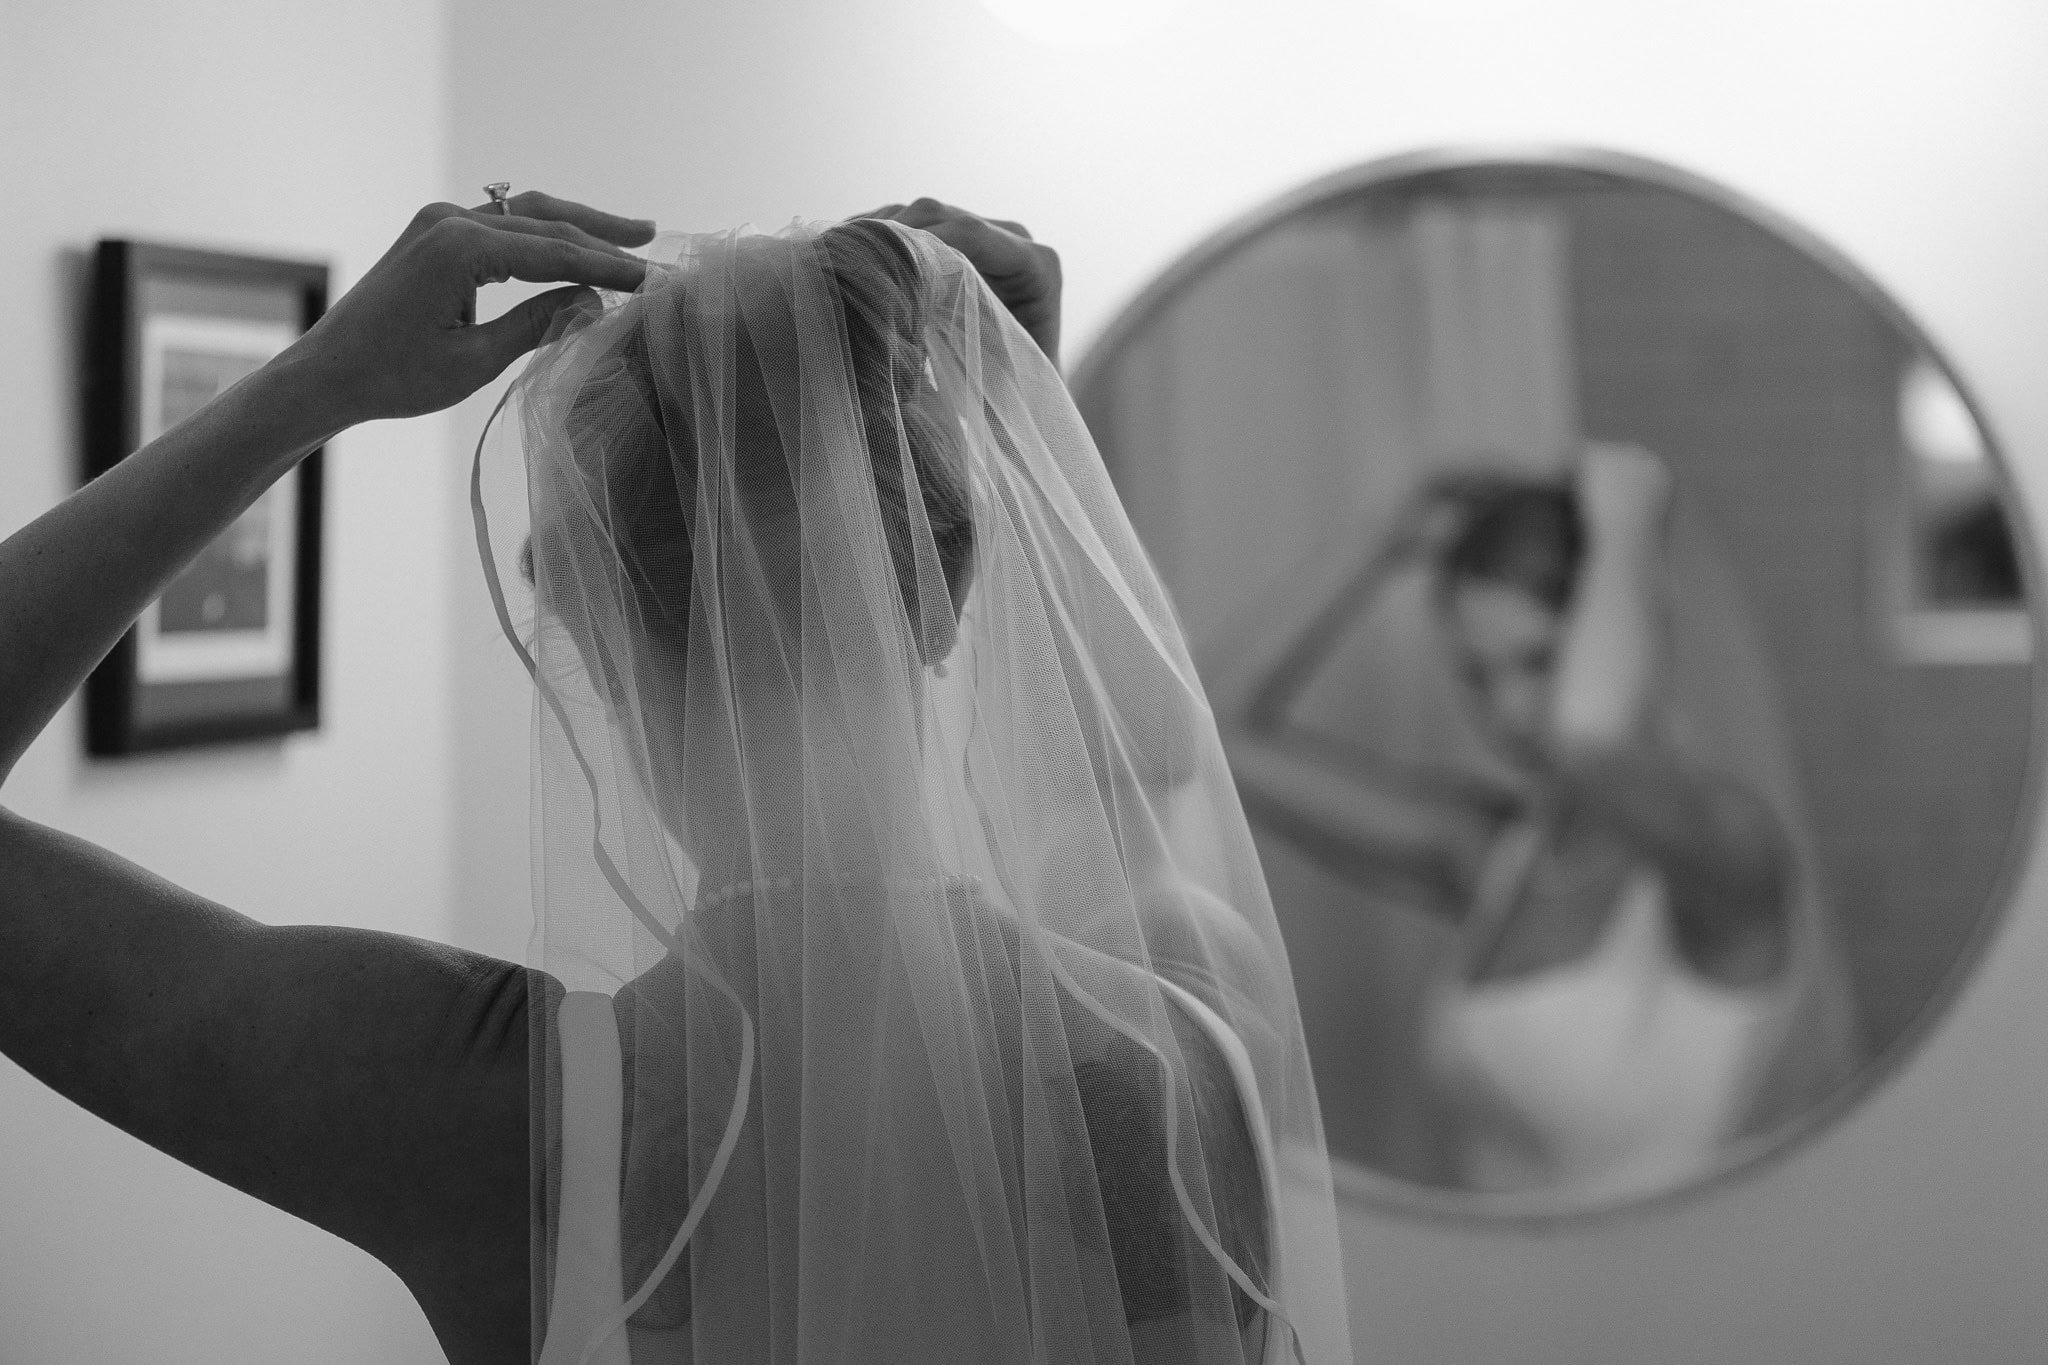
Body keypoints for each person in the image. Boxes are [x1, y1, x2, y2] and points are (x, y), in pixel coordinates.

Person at [0, 191, 1350, 1364]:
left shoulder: (480, 1109)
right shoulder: (1175, 1076)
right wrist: (1016, 418)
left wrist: (313, 385)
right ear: (945, 595)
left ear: (586, 635)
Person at [1212, 446, 1859, 1202]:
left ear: (1634, 634)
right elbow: (1209, 734)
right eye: (1478, 676)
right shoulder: (1493, 855)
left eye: (1541, 660)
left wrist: (1625, 516)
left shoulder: (1725, 853)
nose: (1510, 713)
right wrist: (1380, 539)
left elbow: (1593, 739)